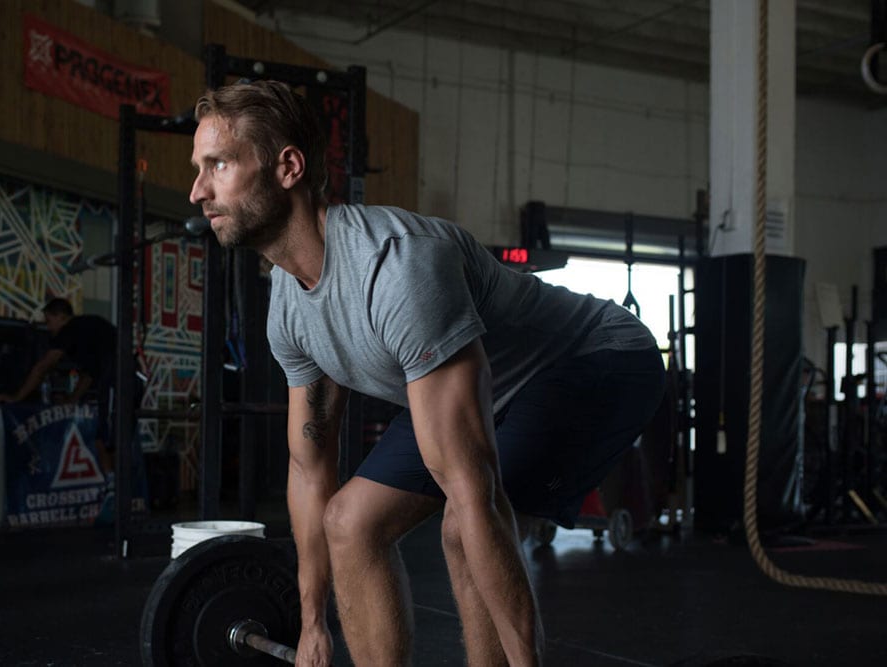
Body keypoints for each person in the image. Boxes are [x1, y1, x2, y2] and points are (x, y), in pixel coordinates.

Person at [188, 81, 665, 667]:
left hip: (595, 359)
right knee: (349, 522)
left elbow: (472, 492)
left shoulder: (397, 267)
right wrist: (312, 623)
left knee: (464, 525)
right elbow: (308, 468)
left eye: (219, 165)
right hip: (485, 385)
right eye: (198, 169)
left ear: (288, 167)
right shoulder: (288, 307)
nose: (197, 191)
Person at [0, 298, 117, 476]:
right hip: (122, 379)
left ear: (61, 317)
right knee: (109, 435)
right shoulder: (89, 328)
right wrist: (72, 399)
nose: (49, 328)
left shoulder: (69, 330)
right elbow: (90, 373)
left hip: (117, 381)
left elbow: (43, 366)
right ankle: (114, 485)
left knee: (108, 437)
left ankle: (114, 489)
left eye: (49, 321)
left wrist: (16, 398)